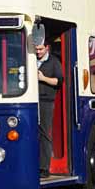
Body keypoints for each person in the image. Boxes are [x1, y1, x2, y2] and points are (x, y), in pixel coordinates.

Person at [36, 40, 63, 179]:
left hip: (46, 101)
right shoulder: (31, 59)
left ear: (47, 48)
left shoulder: (54, 62)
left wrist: (42, 78)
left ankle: (44, 168)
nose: (38, 52)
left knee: (45, 133)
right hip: (32, 101)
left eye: (41, 49)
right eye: (36, 49)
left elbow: (58, 81)